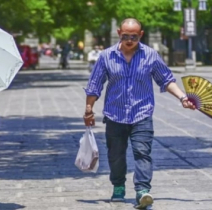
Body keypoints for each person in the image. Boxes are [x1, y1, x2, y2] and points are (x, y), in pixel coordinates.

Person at [83, 18, 195, 209]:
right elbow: (95, 85)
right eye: (125, 36)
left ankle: (143, 191)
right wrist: (88, 109)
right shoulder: (106, 56)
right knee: (116, 155)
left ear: (140, 35)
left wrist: (183, 97)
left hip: (141, 113)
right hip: (115, 114)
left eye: (133, 37)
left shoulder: (150, 55)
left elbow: (166, 80)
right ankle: (118, 186)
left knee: (142, 152)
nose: (129, 40)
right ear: (119, 33)